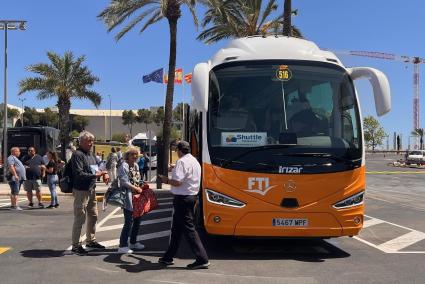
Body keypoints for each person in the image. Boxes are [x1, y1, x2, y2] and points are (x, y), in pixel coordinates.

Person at [158, 141, 210, 269]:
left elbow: (177, 182)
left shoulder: (181, 162)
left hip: (182, 198)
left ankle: (202, 258)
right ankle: (168, 257)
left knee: (189, 229)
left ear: (179, 151)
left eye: (176, 150)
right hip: (191, 197)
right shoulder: (194, 161)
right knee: (176, 229)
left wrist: (166, 180)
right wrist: (174, 169)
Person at [71, 131, 110, 255]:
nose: (91, 143)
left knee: (93, 215)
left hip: (91, 189)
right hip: (81, 190)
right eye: (88, 141)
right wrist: (96, 174)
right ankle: (76, 245)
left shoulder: (91, 154)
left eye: (92, 141)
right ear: (81, 142)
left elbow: (100, 166)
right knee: (80, 217)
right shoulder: (78, 154)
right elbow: (79, 173)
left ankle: (90, 240)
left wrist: (105, 173)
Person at [117, 146, 145, 254]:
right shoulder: (123, 166)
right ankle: (122, 245)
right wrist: (136, 188)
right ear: (127, 155)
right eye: (132, 154)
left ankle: (133, 242)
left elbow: (137, 179)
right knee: (128, 221)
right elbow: (124, 182)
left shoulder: (136, 165)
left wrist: (141, 185)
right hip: (127, 197)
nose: (135, 156)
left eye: (136, 154)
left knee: (137, 220)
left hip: (137, 197)